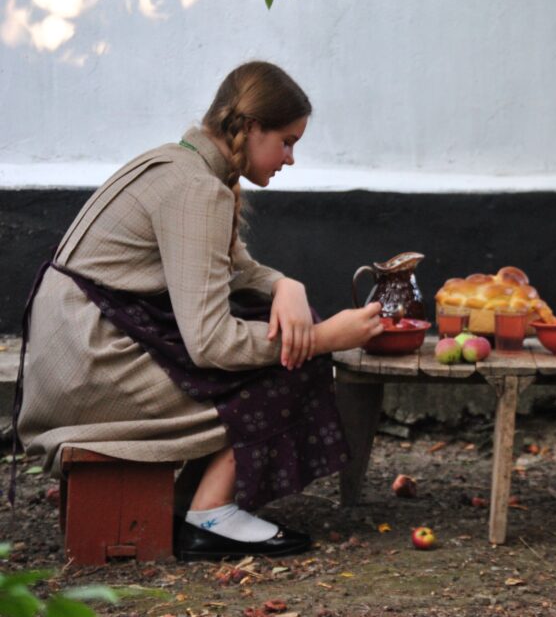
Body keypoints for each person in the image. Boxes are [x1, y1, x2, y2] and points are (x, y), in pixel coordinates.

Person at [13, 61, 384, 560]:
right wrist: (324, 339)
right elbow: (211, 344)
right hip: (90, 373)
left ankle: (194, 500)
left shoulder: (181, 163)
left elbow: (234, 268)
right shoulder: (198, 191)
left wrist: (285, 285)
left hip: (81, 354)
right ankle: (211, 515)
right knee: (296, 357)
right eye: (287, 141)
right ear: (251, 128)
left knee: (277, 320)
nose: (291, 158)